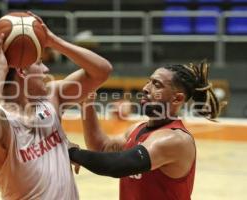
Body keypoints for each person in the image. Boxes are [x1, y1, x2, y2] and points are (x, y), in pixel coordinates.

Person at [0, 11, 112, 200]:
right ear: (22, 71)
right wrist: (1, 71)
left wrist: (54, 41)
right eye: (40, 62)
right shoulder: (3, 122)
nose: (46, 70)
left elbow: (102, 71)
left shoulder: (52, 97)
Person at [69, 62, 224, 200]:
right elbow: (102, 147)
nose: (145, 88)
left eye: (157, 85)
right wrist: (86, 103)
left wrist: (72, 153)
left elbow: (117, 166)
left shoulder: (175, 139)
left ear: (177, 99)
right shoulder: (138, 128)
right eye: (148, 82)